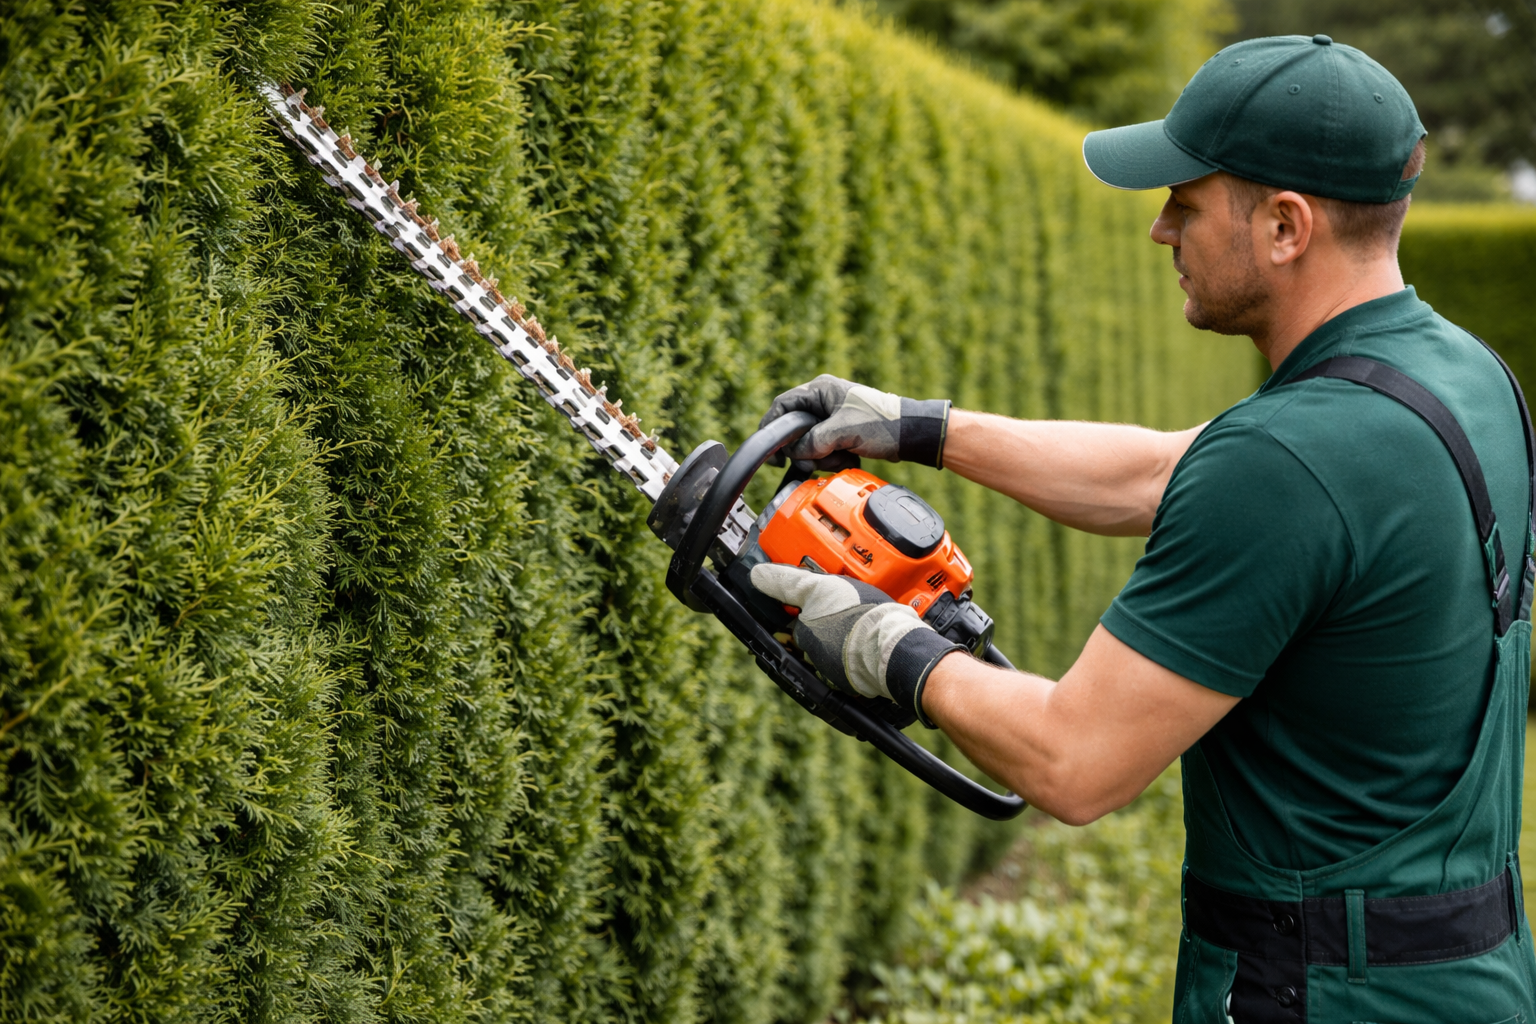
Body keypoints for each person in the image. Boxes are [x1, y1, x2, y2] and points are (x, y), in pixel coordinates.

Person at [749, 34, 1536, 1023]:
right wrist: (918, 427)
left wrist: (883, 642)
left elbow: (1074, 764)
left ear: (1288, 226)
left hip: (1320, 993)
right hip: (1475, 977)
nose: (1161, 230)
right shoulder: (1463, 377)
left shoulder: (1289, 461)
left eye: (1187, 202)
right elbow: (1167, 469)